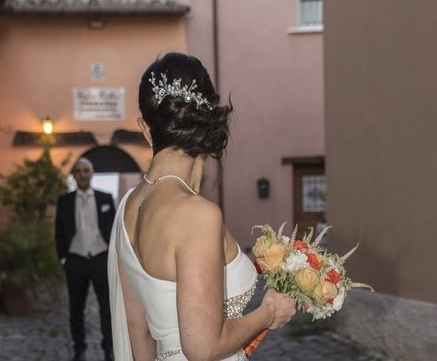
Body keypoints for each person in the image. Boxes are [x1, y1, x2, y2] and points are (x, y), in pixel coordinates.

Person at [108, 53, 297, 360]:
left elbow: (136, 326)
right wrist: (269, 312)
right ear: (208, 124)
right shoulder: (197, 215)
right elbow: (203, 348)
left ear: (145, 127)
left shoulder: (128, 207)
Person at [55, 157, 116, 361]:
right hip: (76, 260)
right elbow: (59, 234)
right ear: (73, 175)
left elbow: (115, 230)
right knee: (76, 308)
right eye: (78, 171)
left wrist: (112, 257)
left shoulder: (105, 198)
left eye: (86, 170)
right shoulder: (64, 201)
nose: (82, 174)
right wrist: (64, 260)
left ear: (92, 173)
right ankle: (79, 349)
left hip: (101, 258)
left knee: (107, 308)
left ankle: (108, 349)